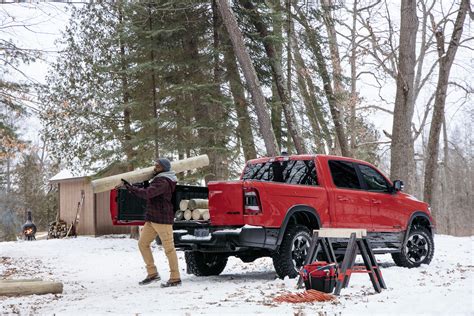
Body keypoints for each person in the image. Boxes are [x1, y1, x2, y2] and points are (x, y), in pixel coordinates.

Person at [121, 158, 181, 287]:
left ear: (164, 168)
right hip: (152, 218)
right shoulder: (159, 179)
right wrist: (140, 185)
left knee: (169, 249)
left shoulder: (164, 181)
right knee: (143, 244)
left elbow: (148, 193)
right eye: (155, 165)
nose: (154, 167)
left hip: (162, 219)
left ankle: (175, 277)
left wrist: (131, 188)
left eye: (157, 166)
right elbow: (150, 190)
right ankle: (152, 273)